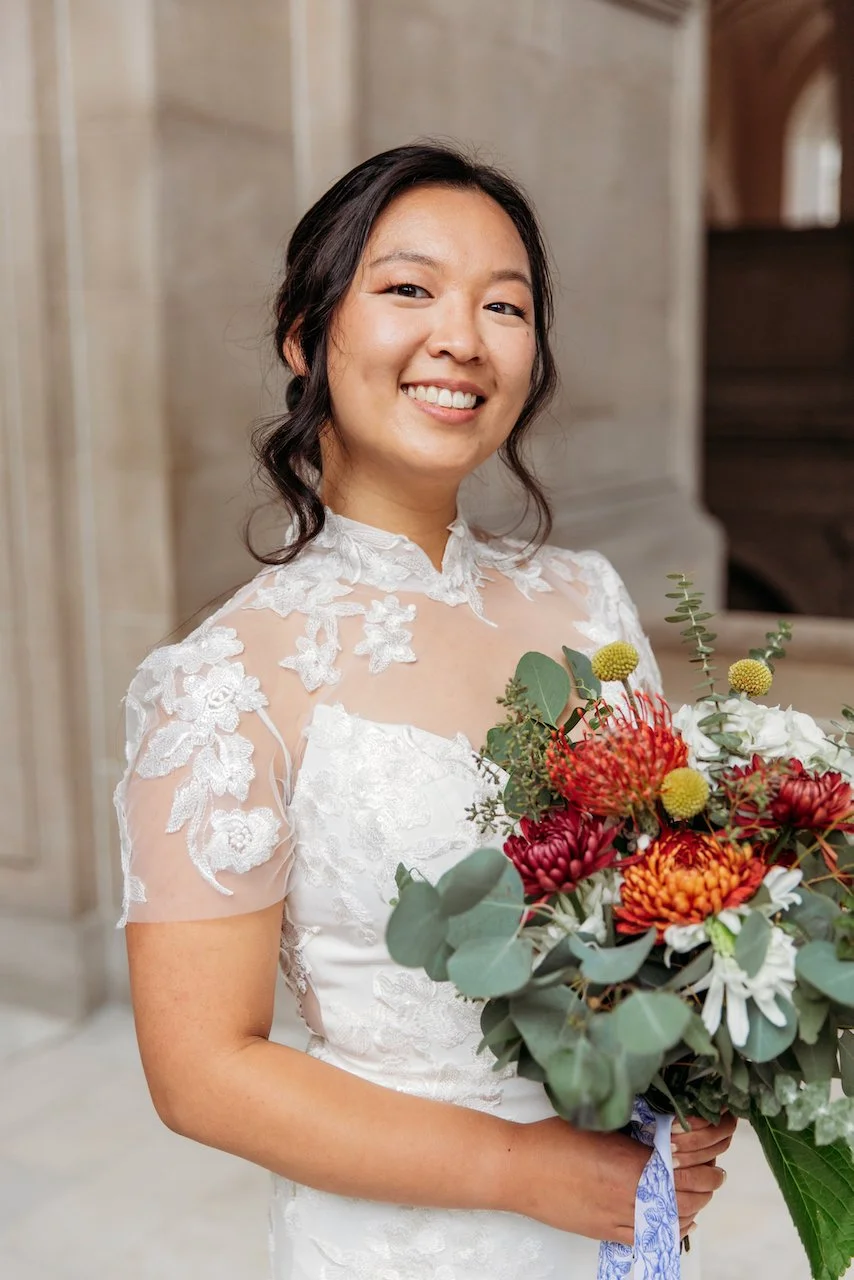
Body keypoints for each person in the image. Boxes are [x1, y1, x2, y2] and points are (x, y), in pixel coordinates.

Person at [116, 142, 734, 1279]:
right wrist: (523, 1167)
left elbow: (661, 910)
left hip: (613, 1222)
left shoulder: (585, 598)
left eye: (503, 305)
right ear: (306, 337)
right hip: (404, 1240)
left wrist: (691, 1073)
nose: (460, 336)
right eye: (408, 289)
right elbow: (201, 1069)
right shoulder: (223, 676)